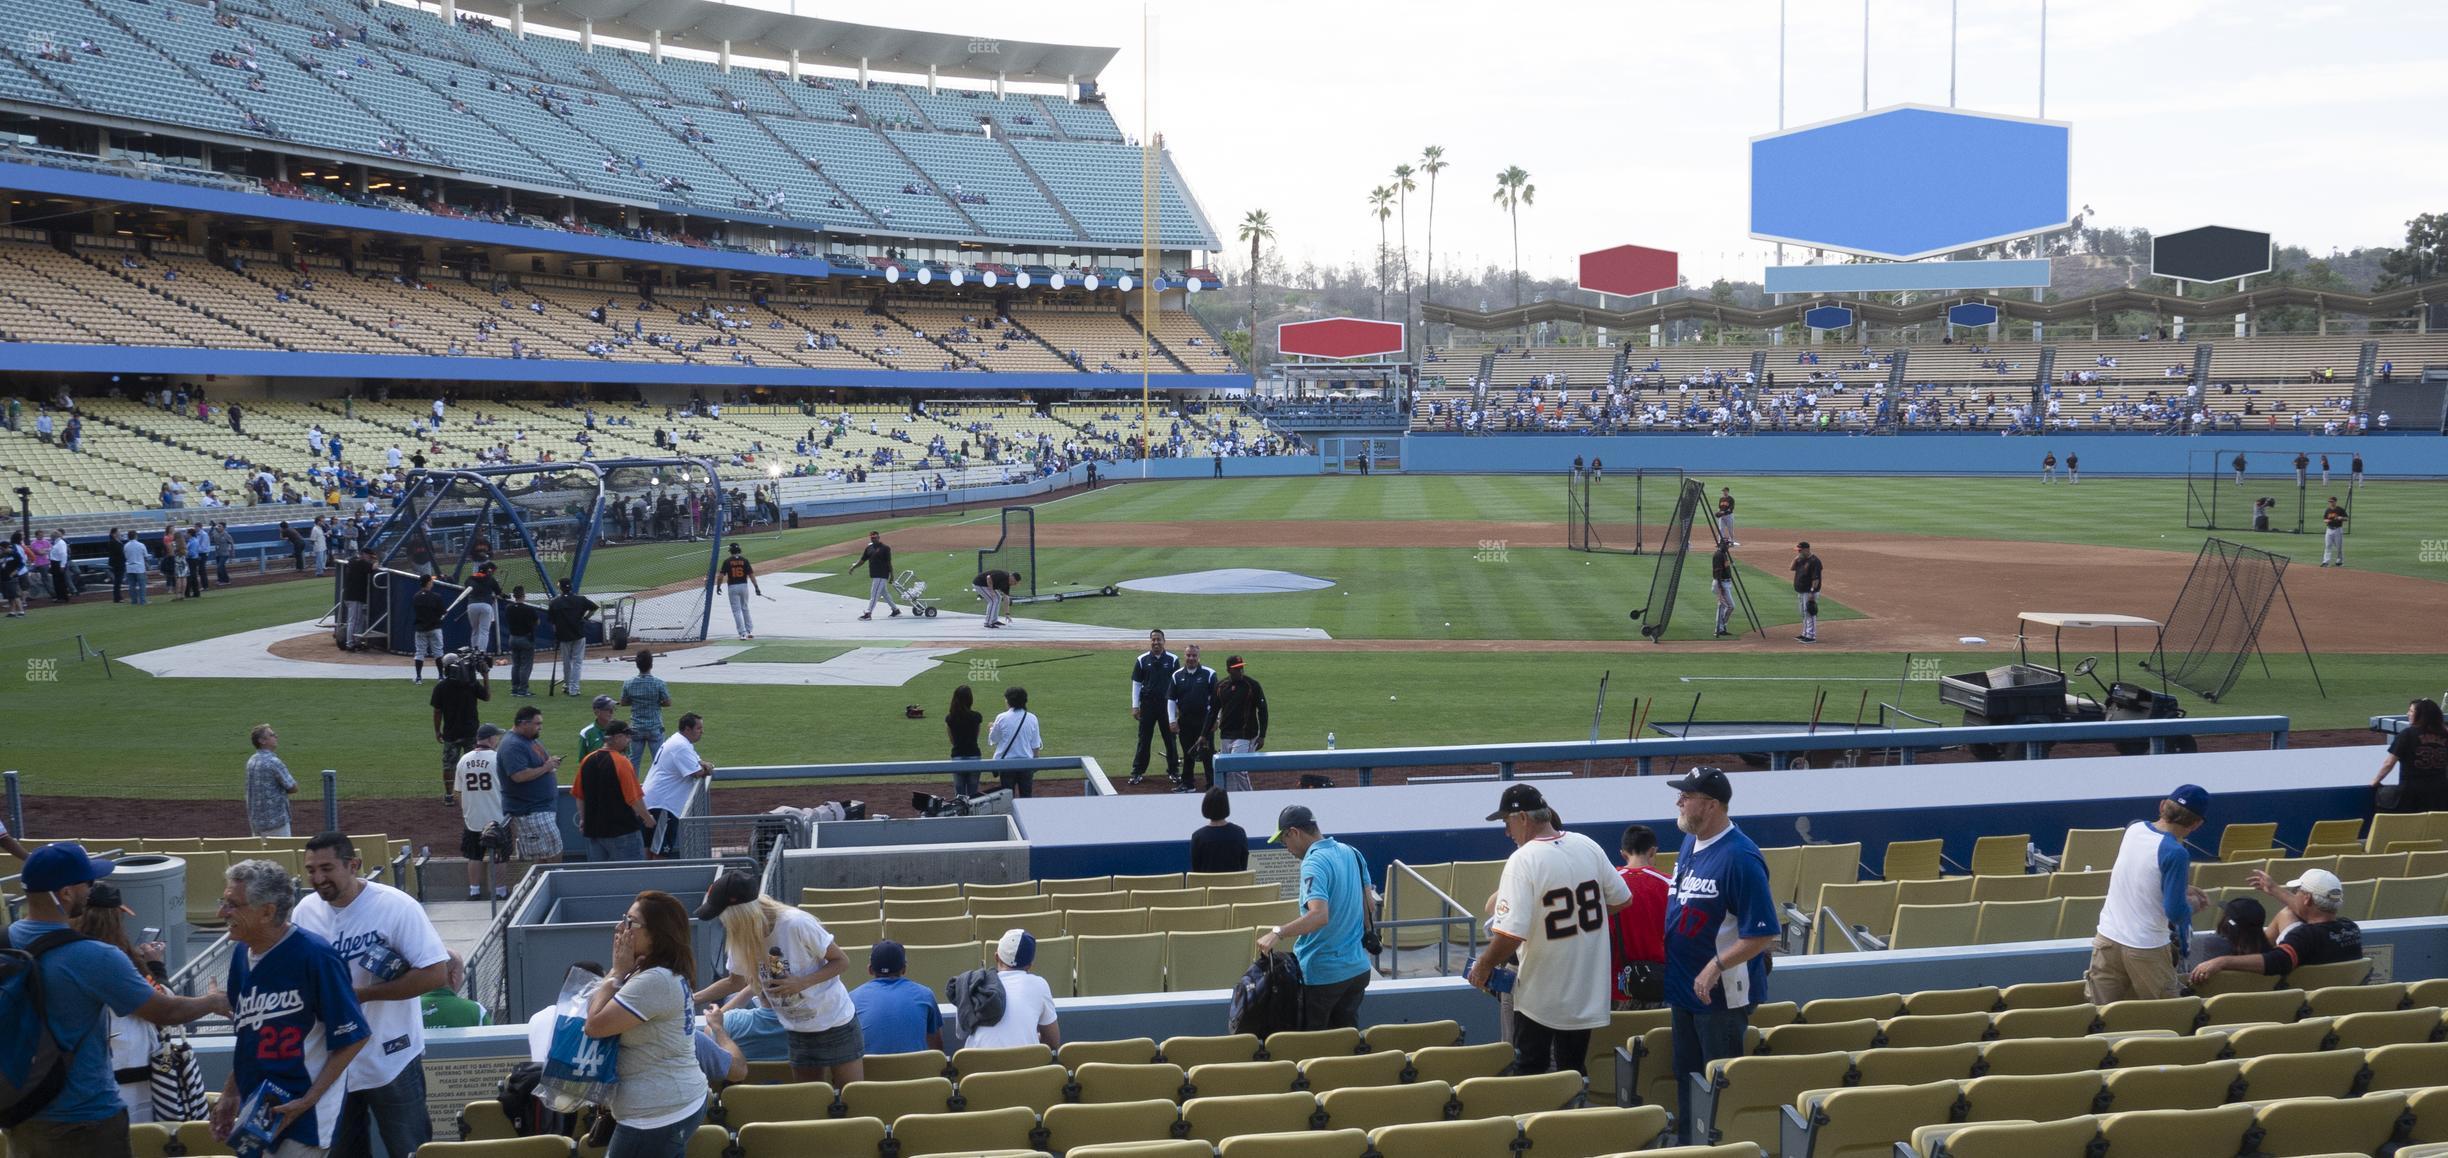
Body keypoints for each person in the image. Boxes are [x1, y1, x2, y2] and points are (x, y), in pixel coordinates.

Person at [8, 845, 228, 1158]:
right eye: (88, 884)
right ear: (66, 893)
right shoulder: (94, 956)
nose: (90, 890)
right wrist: (213, 1001)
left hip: (22, 1114)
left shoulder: (6, 941)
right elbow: (166, 1011)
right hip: (85, 1120)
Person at [293, 834, 450, 1158]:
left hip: (391, 1054)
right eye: (311, 870)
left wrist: (362, 994)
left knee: (411, 1150)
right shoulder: (305, 911)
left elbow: (436, 972)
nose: (318, 878)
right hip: (332, 1062)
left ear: (354, 865)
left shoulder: (395, 906)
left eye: (326, 868)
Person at [209, 858, 370, 1158]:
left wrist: (307, 1101)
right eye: (224, 902)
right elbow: (248, 1034)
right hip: (256, 1110)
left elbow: (355, 1036)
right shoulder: (241, 954)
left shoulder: (316, 956)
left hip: (302, 1114)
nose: (222, 913)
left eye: (233, 904)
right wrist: (231, 1091)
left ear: (267, 911)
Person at [1467, 784, 1631, 1075]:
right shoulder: (1587, 844)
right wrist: (1578, 922)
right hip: (1586, 990)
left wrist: (1483, 966)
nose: (1507, 832)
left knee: (1531, 1072)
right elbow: (1622, 899)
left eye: (1508, 823)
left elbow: (1509, 935)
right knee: (1573, 1071)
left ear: (1524, 819)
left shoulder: (1523, 859)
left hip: (1540, 995)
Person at [1661, 767, 1777, 1145]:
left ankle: (1717, 1150)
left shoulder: (1742, 857)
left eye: (1686, 796)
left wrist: (1714, 966)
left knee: (1717, 1085)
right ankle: (1687, 1147)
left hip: (1721, 998)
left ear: (1710, 805)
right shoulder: (1691, 842)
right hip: (1684, 989)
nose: (1678, 801)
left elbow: (1762, 933)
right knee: (1686, 1075)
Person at [693, 870, 862, 1085]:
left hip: (835, 1022)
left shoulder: (795, 923)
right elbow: (734, 982)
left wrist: (801, 982)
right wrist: (693, 998)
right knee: (811, 1100)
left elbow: (841, 961)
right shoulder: (741, 939)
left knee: (850, 1097)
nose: (722, 923)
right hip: (797, 1029)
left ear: (739, 914)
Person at [582, 891, 709, 1158]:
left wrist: (617, 972)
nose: (620, 928)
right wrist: (620, 972)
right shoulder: (652, 973)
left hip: (656, 1114)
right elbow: (602, 1002)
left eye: (630, 922)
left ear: (657, 934)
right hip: (672, 1102)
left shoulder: (655, 981)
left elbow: (594, 1024)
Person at [2087, 784, 2211, 1004]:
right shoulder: (2176, 853)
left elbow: (2143, 873)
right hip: (2147, 947)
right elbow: (2174, 911)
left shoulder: (2134, 828)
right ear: (2197, 824)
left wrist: (2181, 887)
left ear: (2163, 805)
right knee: (2167, 1013)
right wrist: (2192, 904)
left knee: (2102, 1015)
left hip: (2107, 939)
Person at [1256, 805, 1376, 1030]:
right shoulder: (1352, 853)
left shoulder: (1313, 863)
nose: (1286, 848)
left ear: (1294, 832)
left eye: (1284, 841)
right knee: (1346, 1044)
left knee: (1315, 1050)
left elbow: (1319, 915)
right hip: (1358, 970)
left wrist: (1277, 933)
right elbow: (1368, 906)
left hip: (1323, 975)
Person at [70, 884, 172, 1123]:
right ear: (116, 917)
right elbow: (165, 1007)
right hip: (130, 1080)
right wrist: (155, 966)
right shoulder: (117, 962)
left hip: (83, 1083)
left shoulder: (65, 953)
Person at [2186, 868, 2363, 987]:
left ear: (2307, 899)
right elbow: (2304, 911)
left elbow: (2276, 961)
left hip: (2305, 1000)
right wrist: (2274, 890)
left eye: (2298, 892)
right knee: (2288, 912)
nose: (2294, 895)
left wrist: (2221, 961)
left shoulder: (2305, 937)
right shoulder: (2350, 928)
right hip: (2335, 999)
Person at [961, 930, 1060, 1050]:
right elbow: (1053, 1042)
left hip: (979, 1066)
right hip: (1026, 1067)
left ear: (996, 957)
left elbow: (963, 1033)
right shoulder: (1040, 985)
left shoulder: (973, 984)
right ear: (1030, 965)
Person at [1610, 824, 1671, 1010]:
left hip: (1617, 985)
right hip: (1660, 983)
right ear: (1653, 851)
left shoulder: (1608, 884)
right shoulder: (1670, 885)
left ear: (1623, 853)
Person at [497, 705, 567, 863]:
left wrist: (549, 763)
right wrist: (546, 767)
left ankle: (548, 882)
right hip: (529, 810)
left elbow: (538, 764)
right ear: (523, 723)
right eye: (537, 724)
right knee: (548, 853)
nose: (540, 728)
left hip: (538, 808)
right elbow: (518, 776)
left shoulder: (529, 739)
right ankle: (551, 883)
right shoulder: (512, 745)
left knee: (547, 852)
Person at [574, 721, 652, 862]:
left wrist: (584, 819)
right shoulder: (621, 762)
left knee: (600, 879)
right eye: (627, 737)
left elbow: (579, 796)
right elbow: (634, 799)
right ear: (617, 737)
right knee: (631, 877)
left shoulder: (587, 760)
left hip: (594, 832)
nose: (629, 741)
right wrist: (648, 818)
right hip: (623, 832)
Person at [848, 941, 943, 1055]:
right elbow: (937, 1051)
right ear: (904, 969)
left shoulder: (852, 998)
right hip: (918, 1071)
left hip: (870, 1072)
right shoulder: (925, 994)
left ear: (870, 969)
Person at [642, 713, 713, 858]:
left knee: (650, 848)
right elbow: (697, 772)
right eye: (698, 728)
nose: (702, 731)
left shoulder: (679, 741)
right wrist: (707, 768)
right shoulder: (681, 746)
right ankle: (655, 880)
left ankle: (648, 880)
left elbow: (699, 763)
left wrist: (703, 766)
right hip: (663, 805)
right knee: (659, 852)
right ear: (687, 729)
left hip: (656, 802)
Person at [455, 724, 508, 899]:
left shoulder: (464, 760)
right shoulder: (498, 758)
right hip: (497, 817)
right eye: (497, 737)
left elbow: (458, 792)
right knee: (500, 856)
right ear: (491, 739)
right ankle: (500, 891)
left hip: (473, 817)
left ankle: (474, 891)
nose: (498, 740)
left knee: (474, 856)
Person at [430, 651, 490, 804]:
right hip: (471, 732)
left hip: (451, 733)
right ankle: (474, 795)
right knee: (474, 764)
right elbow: (487, 697)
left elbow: (437, 711)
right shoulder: (470, 684)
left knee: (449, 765)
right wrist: (485, 676)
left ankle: (449, 796)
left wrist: (437, 731)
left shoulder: (441, 686)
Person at [2373, 698, 2448, 812]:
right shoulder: (2445, 734)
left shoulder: (2407, 734)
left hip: (2411, 794)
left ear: (2420, 715)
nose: (2408, 714)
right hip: (2440, 793)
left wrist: (2375, 781)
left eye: (2411, 711)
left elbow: (2389, 763)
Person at [1127, 630, 1181, 787]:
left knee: (1170, 739)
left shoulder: (1172, 660)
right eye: (1153, 640)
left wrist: (1176, 706)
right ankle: (1137, 772)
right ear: (1150, 641)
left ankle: (1174, 771)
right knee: (1144, 740)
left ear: (1164, 641)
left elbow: (1176, 684)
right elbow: (1136, 684)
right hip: (1148, 705)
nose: (1156, 642)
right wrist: (1135, 706)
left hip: (1166, 706)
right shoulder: (1142, 660)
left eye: (1158, 639)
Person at [1168, 643, 1221, 792]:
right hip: (1185, 721)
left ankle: (1212, 784)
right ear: (1184, 656)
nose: (1191, 658)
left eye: (1194, 655)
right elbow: (1171, 699)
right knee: (1187, 752)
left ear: (1199, 657)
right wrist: (1172, 720)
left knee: (1207, 753)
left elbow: (1217, 699)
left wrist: (1216, 719)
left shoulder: (1209, 674)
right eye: (1188, 655)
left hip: (1205, 721)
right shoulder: (1176, 675)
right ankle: (1187, 783)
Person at [1214, 656, 1268, 793]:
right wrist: (1203, 734)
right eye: (1236, 669)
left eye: (1241, 668)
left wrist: (1262, 735)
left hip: (1246, 735)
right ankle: (1233, 800)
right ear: (1228, 670)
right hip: (1226, 734)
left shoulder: (1252, 685)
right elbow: (1213, 711)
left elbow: (1263, 710)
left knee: (1238, 768)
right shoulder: (1221, 686)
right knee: (1229, 771)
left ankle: (1249, 797)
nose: (1240, 671)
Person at [245, 723, 299, 838]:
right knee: (282, 854)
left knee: (261, 855)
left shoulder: (251, 761)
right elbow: (293, 787)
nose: (276, 736)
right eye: (272, 735)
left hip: (256, 822)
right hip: (276, 822)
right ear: (262, 741)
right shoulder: (273, 761)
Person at [987, 686, 1042, 797]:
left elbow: (994, 739)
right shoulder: (1032, 718)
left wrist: (991, 728)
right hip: (1026, 763)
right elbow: (1035, 744)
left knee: (1007, 799)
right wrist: (1035, 763)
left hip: (1007, 765)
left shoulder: (1001, 717)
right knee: (1026, 797)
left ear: (1009, 701)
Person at [621, 652, 672, 769]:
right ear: (651, 665)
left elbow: (623, 702)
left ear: (637, 665)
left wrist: (636, 701)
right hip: (655, 727)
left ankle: (632, 787)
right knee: (659, 761)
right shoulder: (659, 683)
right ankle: (659, 787)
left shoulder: (628, 683)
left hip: (636, 728)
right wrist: (656, 702)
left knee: (633, 761)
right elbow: (668, 702)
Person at [548, 580, 597, 695]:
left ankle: (567, 685)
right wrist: (585, 618)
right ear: (571, 587)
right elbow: (594, 608)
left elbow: (553, 623)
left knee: (566, 662)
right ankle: (574, 689)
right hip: (578, 634)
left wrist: (556, 637)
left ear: (560, 588)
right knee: (577, 663)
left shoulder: (554, 603)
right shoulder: (580, 599)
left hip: (563, 636)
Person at [1189, 787, 1249, 874]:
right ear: (1226, 806)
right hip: (1235, 886)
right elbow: (1243, 866)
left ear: (1205, 806)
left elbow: (1196, 869)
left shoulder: (1198, 837)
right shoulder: (1239, 833)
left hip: (1207, 886)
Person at [945, 685, 984, 798]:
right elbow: (976, 736)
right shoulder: (976, 717)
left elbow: (952, 740)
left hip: (957, 756)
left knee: (959, 794)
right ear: (970, 699)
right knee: (973, 793)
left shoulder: (950, 718)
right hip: (974, 755)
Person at [501, 586, 540, 696]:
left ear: (514, 596)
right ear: (523, 595)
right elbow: (537, 622)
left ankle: (514, 688)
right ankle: (523, 689)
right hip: (525, 638)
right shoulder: (529, 609)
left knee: (516, 664)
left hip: (513, 638)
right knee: (525, 665)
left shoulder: (509, 608)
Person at [716, 544, 760, 639]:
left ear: (731, 551)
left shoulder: (727, 561)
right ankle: (749, 631)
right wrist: (756, 587)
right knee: (745, 608)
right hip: (744, 586)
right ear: (739, 550)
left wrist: (718, 587)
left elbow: (720, 576)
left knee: (736, 611)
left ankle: (742, 633)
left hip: (733, 587)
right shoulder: (745, 561)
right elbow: (751, 575)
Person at [856, 531, 900, 619]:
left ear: (879, 538)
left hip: (882, 574)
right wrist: (853, 567)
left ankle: (868, 613)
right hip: (874, 574)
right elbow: (862, 560)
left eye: (875, 537)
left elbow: (888, 562)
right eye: (872, 538)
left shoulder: (885, 548)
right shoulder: (869, 548)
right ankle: (895, 610)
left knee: (874, 594)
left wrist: (891, 575)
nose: (873, 539)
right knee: (885, 593)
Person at [339, 547, 373, 650]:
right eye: (369, 556)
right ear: (364, 554)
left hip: (351, 595)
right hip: (355, 597)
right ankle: (350, 644)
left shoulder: (353, 560)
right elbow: (373, 567)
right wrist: (375, 561)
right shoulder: (360, 562)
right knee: (354, 621)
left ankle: (357, 642)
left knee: (358, 620)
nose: (369, 558)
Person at [1789, 541, 1822, 644]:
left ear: (1806, 549)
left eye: (1800, 550)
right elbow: (1791, 568)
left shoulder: (1815, 561)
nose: (1798, 552)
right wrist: (1796, 558)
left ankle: (1811, 636)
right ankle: (1805, 634)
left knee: (1809, 613)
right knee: (1803, 613)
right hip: (1801, 590)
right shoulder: (1801, 559)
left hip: (1809, 591)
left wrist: (1812, 592)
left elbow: (1816, 579)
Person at [465, 563, 501, 652]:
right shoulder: (490, 579)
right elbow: (498, 592)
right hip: (485, 606)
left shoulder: (470, 579)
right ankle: (481, 652)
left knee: (475, 630)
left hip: (471, 606)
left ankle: (474, 651)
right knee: (484, 631)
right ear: (487, 571)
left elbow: (466, 588)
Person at [1709, 541, 1735, 638]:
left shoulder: (1723, 554)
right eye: (1727, 545)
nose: (1728, 547)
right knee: (1729, 606)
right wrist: (1720, 589)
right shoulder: (1718, 555)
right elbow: (1717, 572)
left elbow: (1726, 568)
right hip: (1721, 584)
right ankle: (1719, 628)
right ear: (1721, 545)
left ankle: (1721, 627)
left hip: (1725, 583)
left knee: (1725, 606)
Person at [122, 531, 150, 607]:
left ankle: (134, 601)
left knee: (132, 586)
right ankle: (142, 601)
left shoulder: (126, 546)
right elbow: (146, 556)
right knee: (142, 585)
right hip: (139, 567)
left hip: (130, 567)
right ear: (136, 536)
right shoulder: (141, 545)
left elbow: (125, 556)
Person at [2318, 497, 2348, 567]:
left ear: (2335, 502)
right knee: (2328, 546)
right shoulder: (2328, 510)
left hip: (2338, 529)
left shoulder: (2340, 509)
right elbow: (2324, 519)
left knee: (2339, 547)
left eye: (2332, 501)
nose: (2331, 503)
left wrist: (2341, 518)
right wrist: (2326, 521)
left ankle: (2339, 561)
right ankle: (2326, 562)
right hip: (2329, 530)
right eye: (2330, 502)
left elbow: (2346, 518)